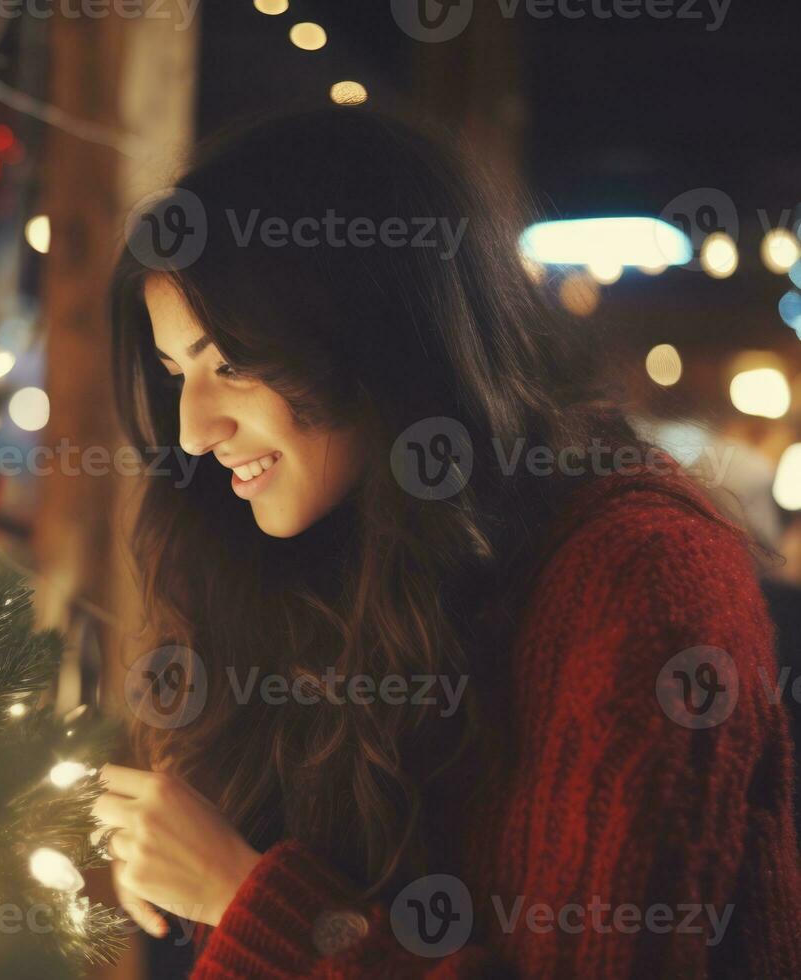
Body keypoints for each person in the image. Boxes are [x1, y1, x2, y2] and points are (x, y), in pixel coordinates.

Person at [94, 104, 801, 977]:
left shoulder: (644, 582)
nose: (193, 430)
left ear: (375, 332)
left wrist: (250, 902)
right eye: (176, 374)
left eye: (230, 362)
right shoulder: (338, 558)